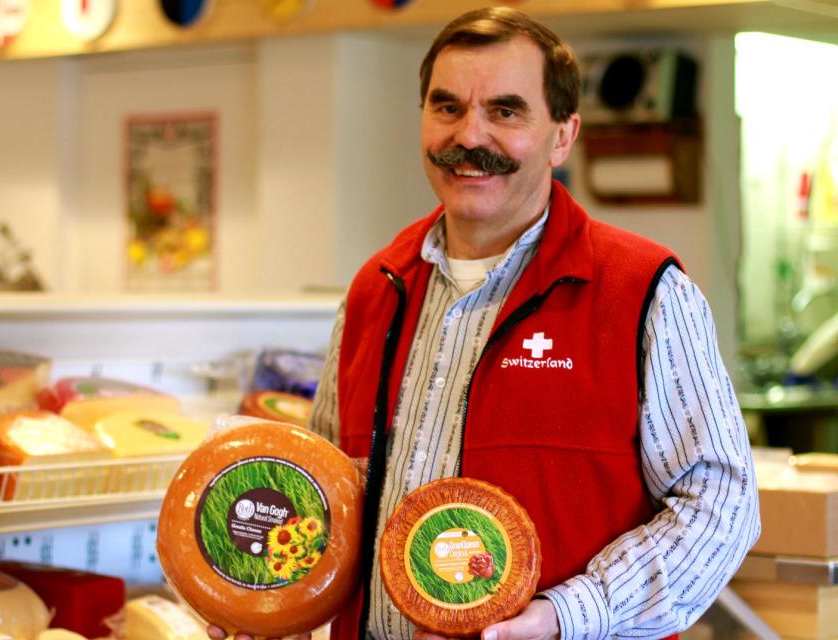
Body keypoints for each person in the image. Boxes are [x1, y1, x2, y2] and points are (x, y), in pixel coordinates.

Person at [210, 6, 759, 640]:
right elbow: (330, 497)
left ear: (562, 135)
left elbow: (722, 505)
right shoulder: (375, 289)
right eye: (447, 108)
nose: (470, 136)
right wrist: (271, 602)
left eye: (505, 111)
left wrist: (567, 616)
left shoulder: (644, 293)